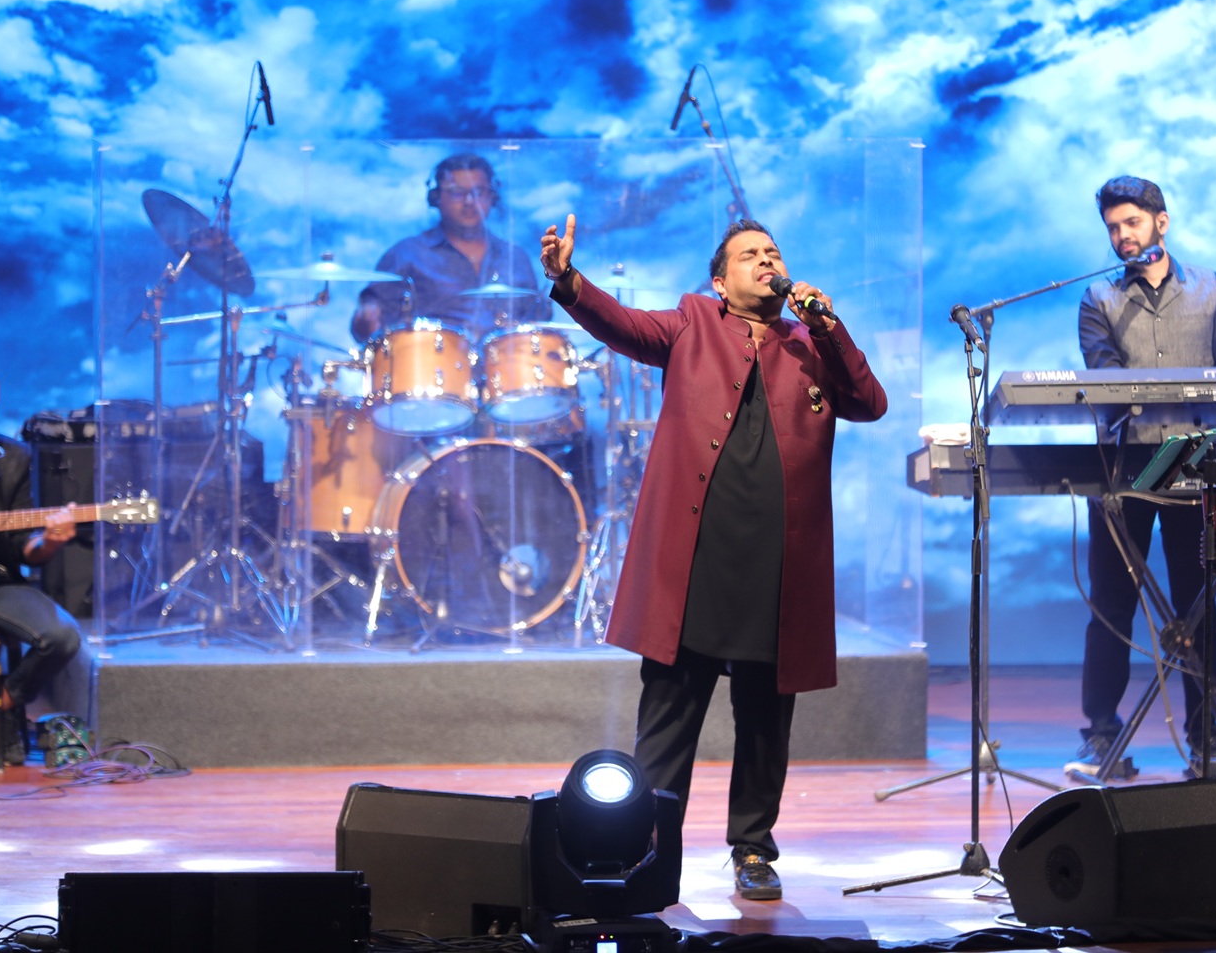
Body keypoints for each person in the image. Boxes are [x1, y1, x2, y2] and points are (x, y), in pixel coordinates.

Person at [539, 214, 887, 899]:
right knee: (669, 709)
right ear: (720, 280)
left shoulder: (811, 343)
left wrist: (828, 325)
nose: (767, 261)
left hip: (778, 566)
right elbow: (623, 326)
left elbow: (868, 403)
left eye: (774, 253)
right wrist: (568, 281)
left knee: (766, 718)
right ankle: (644, 846)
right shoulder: (692, 323)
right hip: (696, 558)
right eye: (750, 255)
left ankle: (753, 850)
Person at [1066, 176, 1216, 780]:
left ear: (1160, 223)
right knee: (1111, 609)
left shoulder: (1213, 288)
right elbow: (1107, 380)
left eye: (1132, 224)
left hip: (1201, 461)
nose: (1122, 237)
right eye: (1113, 228)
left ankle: (1208, 741)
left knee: (1203, 610)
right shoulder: (1097, 297)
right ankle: (1102, 735)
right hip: (1124, 465)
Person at [0, 356, 83, 767]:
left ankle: (2, 702)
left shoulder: (11, 457)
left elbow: (22, 547)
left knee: (64, 636)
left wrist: (49, 542)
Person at [350, 152, 550, 344]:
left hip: (507, 371)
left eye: (479, 192)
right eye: (457, 193)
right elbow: (366, 332)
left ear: (492, 197)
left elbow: (538, 327)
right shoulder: (406, 254)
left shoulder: (515, 257)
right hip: (431, 370)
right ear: (436, 198)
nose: (470, 202)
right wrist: (367, 318)